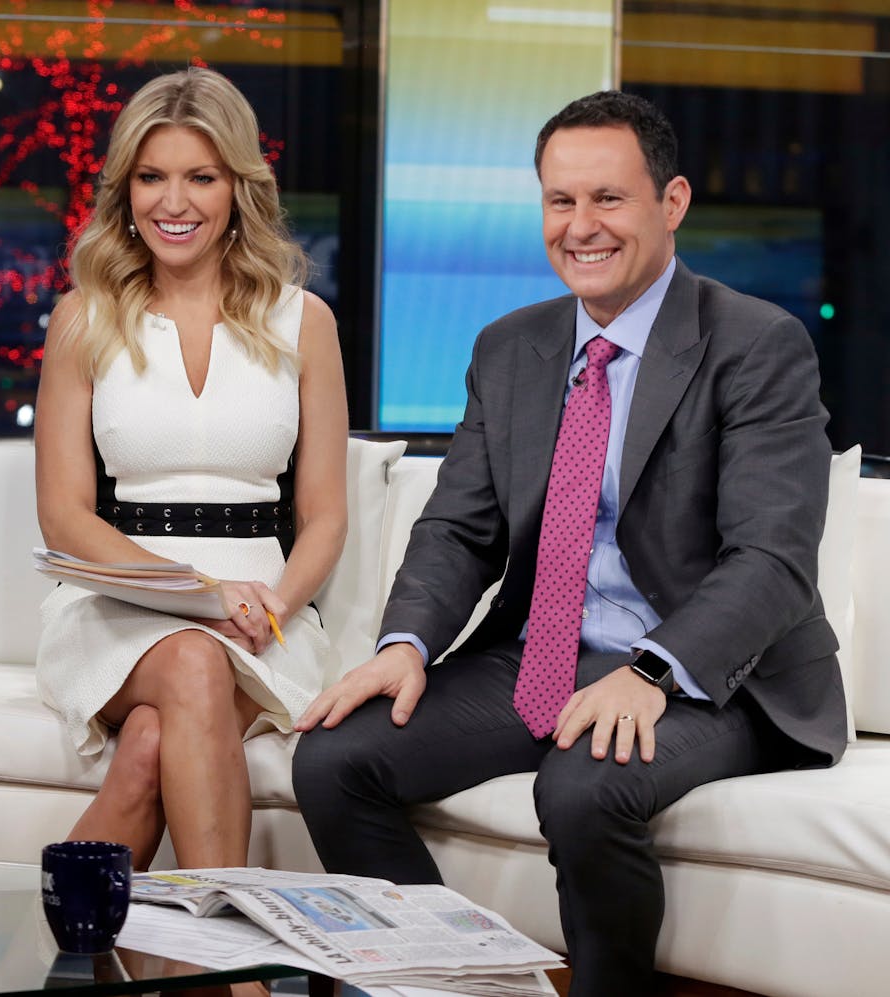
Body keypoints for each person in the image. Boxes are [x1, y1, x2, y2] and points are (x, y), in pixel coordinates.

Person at [292, 91, 846, 996]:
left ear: (671, 203)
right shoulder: (510, 347)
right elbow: (458, 525)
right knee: (335, 756)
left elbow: (773, 558)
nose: (580, 227)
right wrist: (405, 644)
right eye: (560, 201)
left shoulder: (754, 344)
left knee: (585, 784)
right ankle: (453, 987)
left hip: (716, 674)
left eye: (608, 200)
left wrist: (655, 671)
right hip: (546, 654)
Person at [33, 67, 349, 871]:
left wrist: (273, 602)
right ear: (125, 189)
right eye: (152, 177)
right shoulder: (84, 318)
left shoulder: (304, 321)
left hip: (265, 619)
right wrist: (200, 596)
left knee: (148, 745)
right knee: (191, 657)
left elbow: (323, 516)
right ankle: (234, 971)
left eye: (200, 177)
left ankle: (71, 958)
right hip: (116, 604)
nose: (174, 203)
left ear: (238, 186)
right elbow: (65, 516)